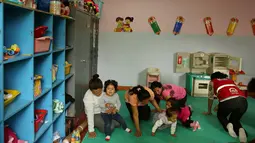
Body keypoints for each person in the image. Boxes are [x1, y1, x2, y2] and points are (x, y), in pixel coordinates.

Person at [203, 72, 248, 143]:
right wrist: (219, 105)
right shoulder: (230, 80)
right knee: (235, 120)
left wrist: (209, 111)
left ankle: (228, 125)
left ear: (213, 78)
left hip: (227, 102)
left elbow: (210, 98)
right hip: (243, 101)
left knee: (221, 116)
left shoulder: (212, 82)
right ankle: (241, 129)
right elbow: (233, 94)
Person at [83, 74, 119, 138]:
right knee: (110, 128)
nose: (98, 94)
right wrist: (91, 130)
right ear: (91, 91)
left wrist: (114, 108)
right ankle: (98, 124)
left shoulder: (104, 90)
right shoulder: (88, 97)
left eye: (99, 92)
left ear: (102, 88)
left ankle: (107, 122)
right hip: (95, 114)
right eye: (95, 92)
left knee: (119, 123)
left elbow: (112, 98)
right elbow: (90, 113)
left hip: (104, 110)